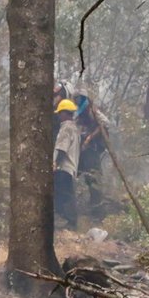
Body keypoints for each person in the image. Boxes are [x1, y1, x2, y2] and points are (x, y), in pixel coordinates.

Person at [74, 93, 107, 218]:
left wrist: (89, 138)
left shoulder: (95, 114)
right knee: (77, 175)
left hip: (92, 151)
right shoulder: (78, 115)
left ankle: (98, 213)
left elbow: (105, 123)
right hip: (81, 152)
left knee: (94, 180)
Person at [53, 99, 82, 231]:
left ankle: (68, 222)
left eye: (60, 113)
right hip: (71, 168)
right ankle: (70, 222)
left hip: (63, 167)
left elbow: (62, 149)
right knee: (66, 194)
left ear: (65, 113)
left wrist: (55, 163)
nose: (59, 116)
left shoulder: (66, 128)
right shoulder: (75, 129)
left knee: (62, 195)